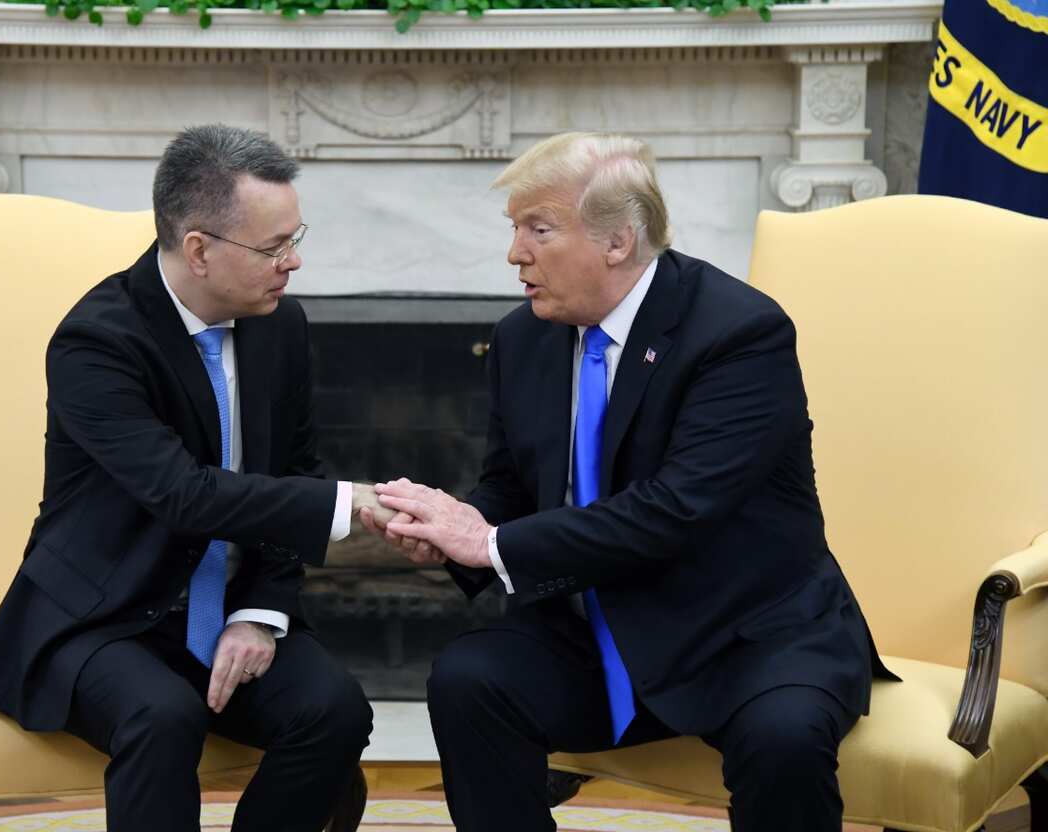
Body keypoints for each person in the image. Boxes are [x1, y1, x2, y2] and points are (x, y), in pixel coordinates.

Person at [363, 132, 896, 832]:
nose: (515, 253)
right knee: (471, 680)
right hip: (597, 632)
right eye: (514, 229)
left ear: (617, 242)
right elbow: (511, 488)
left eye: (538, 229)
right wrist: (446, 529)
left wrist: (490, 544)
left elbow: (675, 510)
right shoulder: (523, 337)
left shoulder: (738, 333)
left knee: (785, 740)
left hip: (744, 632)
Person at [0, 124, 390, 832]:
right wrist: (352, 504)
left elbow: (291, 474)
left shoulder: (279, 326)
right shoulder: (98, 341)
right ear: (199, 248)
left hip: (228, 605)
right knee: (163, 716)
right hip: (105, 615)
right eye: (274, 246)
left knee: (335, 710)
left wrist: (258, 613)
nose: (295, 261)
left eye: (295, 236)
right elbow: (182, 494)